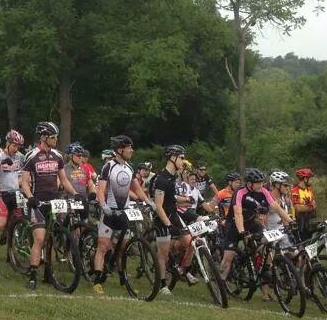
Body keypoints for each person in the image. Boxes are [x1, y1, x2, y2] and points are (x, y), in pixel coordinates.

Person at [20, 122, 79, 290]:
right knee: (39, 238)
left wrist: (75, 193)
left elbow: (64, 179)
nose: (56, 140)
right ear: (44, 138)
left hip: (54, 201)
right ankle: (32, 275)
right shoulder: (32, 155)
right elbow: (24, 181)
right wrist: (30, 197)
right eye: (53, 137)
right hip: (37, 201)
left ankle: (48, 273)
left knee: (52, 237)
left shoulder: (57, 156)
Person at [90, 135, 149, 295]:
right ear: (120, 150)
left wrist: (149, 202)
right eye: (129, 147)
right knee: (103, 246)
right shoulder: (108, 167)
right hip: (109, 213)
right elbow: (100, 191)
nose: (132, 150)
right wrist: (104, 206)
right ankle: (97, 280)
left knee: (123, 247)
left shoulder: (129, 168)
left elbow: (137, 189)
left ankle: (123, 279)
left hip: (123, 213)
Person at [218, 168, 294, 289]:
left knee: (265, 242)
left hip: (252, 224)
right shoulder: (239, 193)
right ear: (249, 184)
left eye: (262, 182)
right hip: (234, 224)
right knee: (228, 258)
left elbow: (277, 208)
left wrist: (290, 221)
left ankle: (265, 268)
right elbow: (238, 214)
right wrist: (242, 231)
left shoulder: (264, 191)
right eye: (258, 183)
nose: (261, 185)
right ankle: (220, 284)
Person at [153, 144, 199, 292]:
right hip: (162, 218)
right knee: (164, 254)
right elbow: (159, 205)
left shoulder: (172, 177)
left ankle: (181, 271)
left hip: (174, 214)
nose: (183, 161)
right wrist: (168, 224)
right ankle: (162, 284)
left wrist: (185, 200)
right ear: (173, 158)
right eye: (181, 158)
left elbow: (171, 198)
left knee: (191, 245)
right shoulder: (161, 178)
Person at [0, 130, 25, 247]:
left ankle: (12, 251)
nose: (16, 149)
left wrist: (21, 182)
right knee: (0, 224)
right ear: (7, 143)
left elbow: (21, 175)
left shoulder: (20, 157)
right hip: (1, 195)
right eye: (14, 145)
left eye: (18, 146)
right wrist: (0, 163)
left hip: (16, 194)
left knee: (17, 222)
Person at [290, 168, 316, 233]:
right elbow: (298, 208)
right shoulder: (295, 191)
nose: (312, 181)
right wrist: (311, 207)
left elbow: (314, 203)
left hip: (310, 220)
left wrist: (306, 207)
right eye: (310, 178)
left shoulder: (309, 190)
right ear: (305, 179)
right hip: (299, 221)